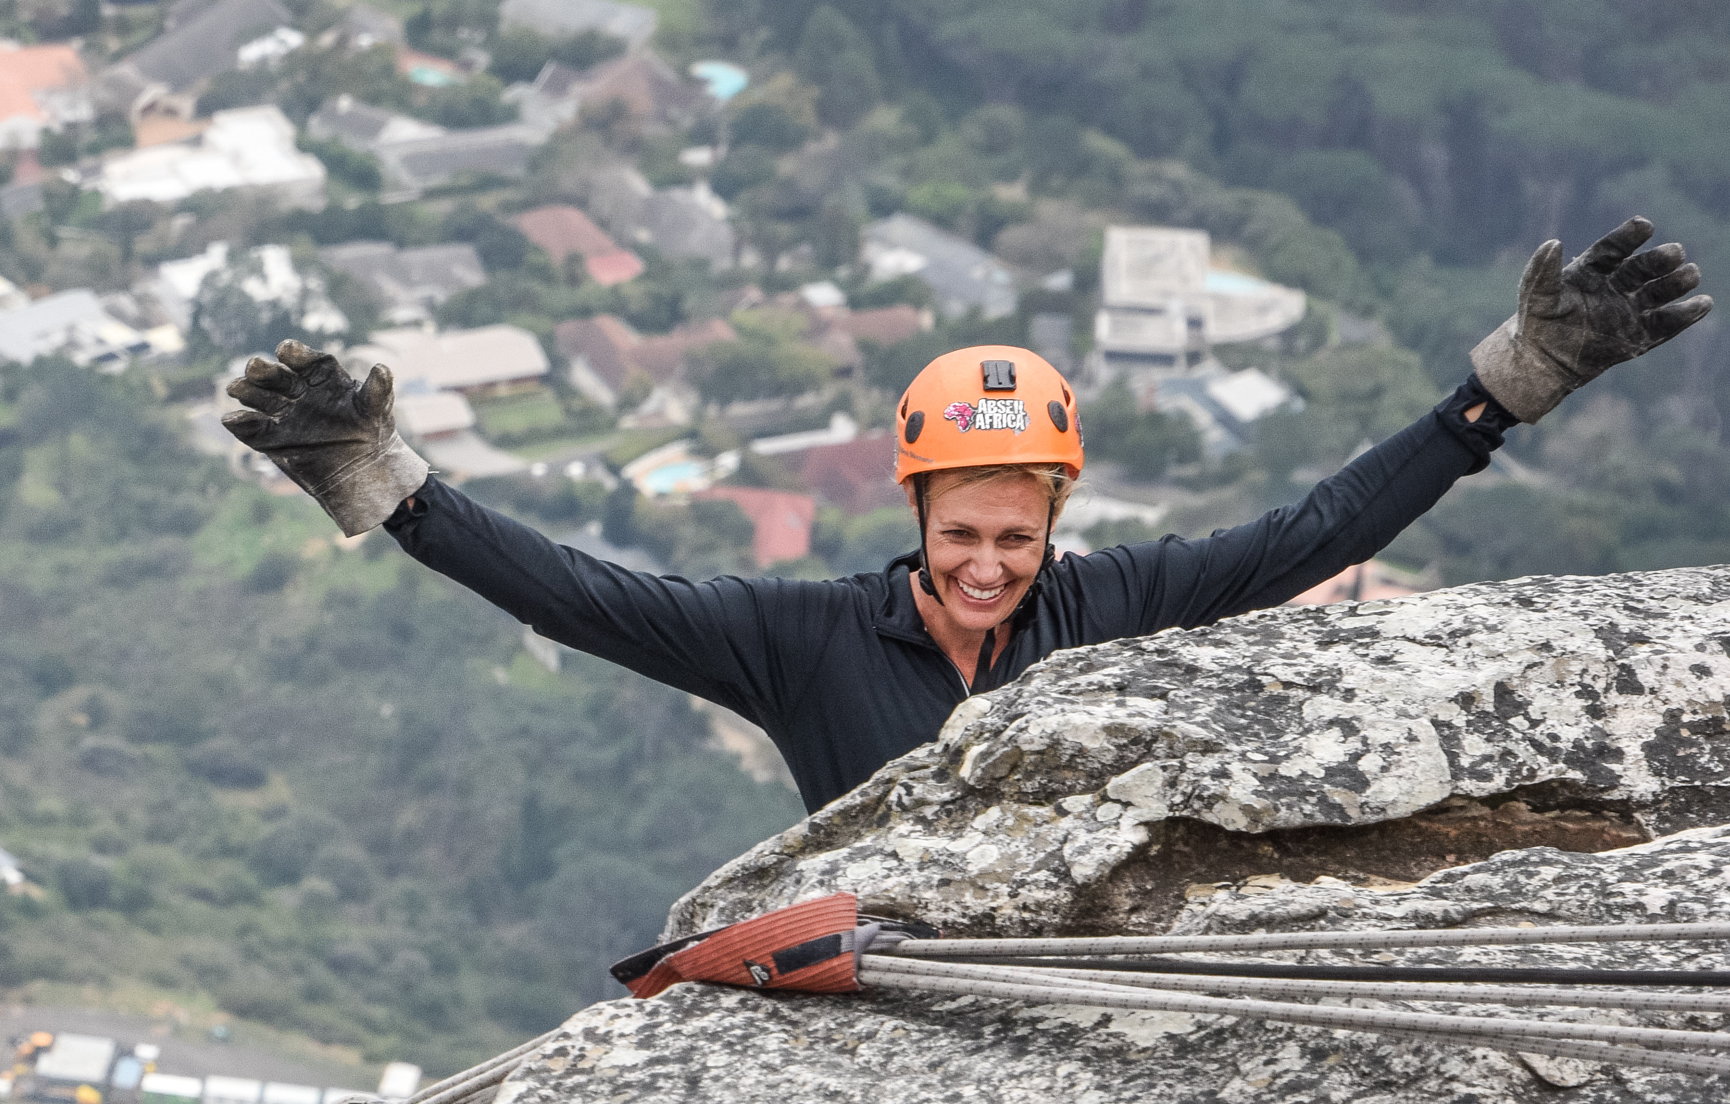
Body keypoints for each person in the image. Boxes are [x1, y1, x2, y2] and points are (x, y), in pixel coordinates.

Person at [222, 217, 1710, 814]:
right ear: (916, 511)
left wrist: (1504, 391)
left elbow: (1312, 534)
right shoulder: (794, 643)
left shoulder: (1112, 603)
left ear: (1054, 519)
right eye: (964, 535)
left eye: (1018, 536)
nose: (990, 566)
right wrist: (393, 487)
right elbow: (581, 596)